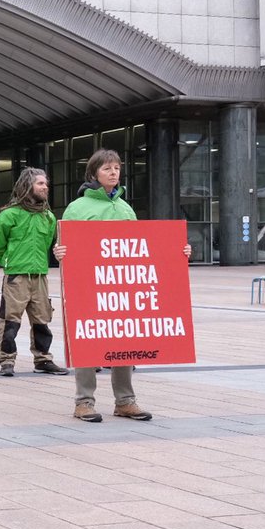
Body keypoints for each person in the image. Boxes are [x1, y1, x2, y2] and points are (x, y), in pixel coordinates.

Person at [55, 149, 190, 423]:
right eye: (107, 168)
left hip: (121, 289)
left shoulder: (126, 208)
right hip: (90, 287)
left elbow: (141, 249)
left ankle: (125, 401)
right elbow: (65, 245)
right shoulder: (77, 208)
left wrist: (178, 251)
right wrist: (60, 252)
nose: (113, 172)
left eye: (116, 168)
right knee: (87, 340)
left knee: (125, 339)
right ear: (93, 173)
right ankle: (84, 402)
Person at [0, 167, 69, 377]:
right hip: (16, 278)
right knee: (10, 321)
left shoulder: (49, 218)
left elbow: (53, 243)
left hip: (40, 277)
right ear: (27, 186)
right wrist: (9, 263)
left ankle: (43, 360)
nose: (46, 187)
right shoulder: (8, 215)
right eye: (40, 183)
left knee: (42, 320)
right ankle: (7, 361)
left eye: (46, 184)